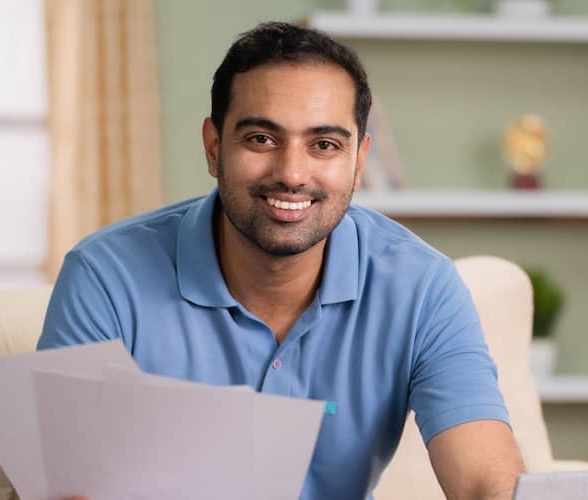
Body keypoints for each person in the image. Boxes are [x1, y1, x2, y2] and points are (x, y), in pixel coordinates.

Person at [36, 21, 524, 500]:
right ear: (213, 147)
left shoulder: (423, 287)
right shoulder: (104, 276)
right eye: (261, 139)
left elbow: (486, 480)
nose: (292, 173)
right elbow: (52, 482)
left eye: (324, 145)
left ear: (359, 161)